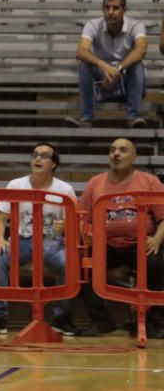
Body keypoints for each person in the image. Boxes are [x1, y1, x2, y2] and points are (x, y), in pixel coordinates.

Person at [0, 144, 78, 336]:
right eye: (35, 155)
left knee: (69, 264)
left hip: (51, 239)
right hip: (22, 239)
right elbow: (0, 217)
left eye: (44, 156)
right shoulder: (16, 184)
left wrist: (67, 227)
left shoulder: (65, 189)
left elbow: (75, 224)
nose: (38, 159)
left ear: (54, 164)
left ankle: (61, 319)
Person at [78, 138, 164, 338]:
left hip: (142, 243)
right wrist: (88, 234)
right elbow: (84, 219)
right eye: (113, 150)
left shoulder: (149, 181)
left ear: (134, 157)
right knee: (82, 265)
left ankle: (151, 321)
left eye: (123, 150)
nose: (116, 154)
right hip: (106, 244)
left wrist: (157, 239)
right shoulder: (95, 183)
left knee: (155, 262)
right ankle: (101, 322)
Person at [67, 0, 147, 129]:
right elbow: (81, 51)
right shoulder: (93, 25)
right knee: (84, 65)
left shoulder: (136, 25)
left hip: (126, 81)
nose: (110, 12)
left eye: (115, 8)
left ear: (124, 10)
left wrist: (118, 70)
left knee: (137, 65)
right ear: (102, 9)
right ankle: (86, 118)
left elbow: (141, 50)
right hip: (102, 81)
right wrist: (103, 66)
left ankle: (133, 117)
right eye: (107, 7)